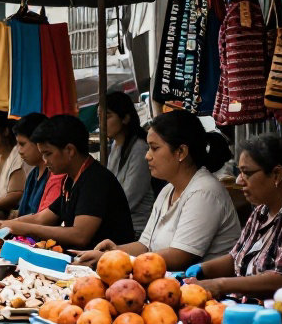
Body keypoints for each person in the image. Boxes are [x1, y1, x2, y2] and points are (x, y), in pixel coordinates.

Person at [78, 110, 238, 271]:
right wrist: (114, 251)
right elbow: (145, 245)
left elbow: (180, 256)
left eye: (154, 148)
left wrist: (118, 259)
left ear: (181, 152)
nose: (147, 156)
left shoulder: (204, 192)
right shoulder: (168, 189)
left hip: (199, 291)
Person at [0, 114, 135, 248]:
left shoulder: (95, 180)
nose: (45, 160)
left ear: (70, 150)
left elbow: (80, 235)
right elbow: (41, 218)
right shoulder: (71, 179)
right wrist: (1, 224)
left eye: (48, 154)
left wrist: (20, 227)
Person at [185, 135, 282, 298]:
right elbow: (237, 257)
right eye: (239, 172)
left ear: (276, 174)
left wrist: (220, 285)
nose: (239, 181)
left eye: (246, 173)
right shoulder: (261, 211)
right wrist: (202, 269)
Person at [106, 91, 154, 235]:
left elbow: (128, 199)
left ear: (125, 118)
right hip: (115, 224)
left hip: (135, 229)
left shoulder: (140, 149)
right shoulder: (115, 145)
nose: (102, 122)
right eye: (99, 116)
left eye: (107, 116)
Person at [14, 113, 63, 217]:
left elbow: (42, 220)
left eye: (22, 144)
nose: (19, 150)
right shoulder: (33, 175)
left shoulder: (56, 175)